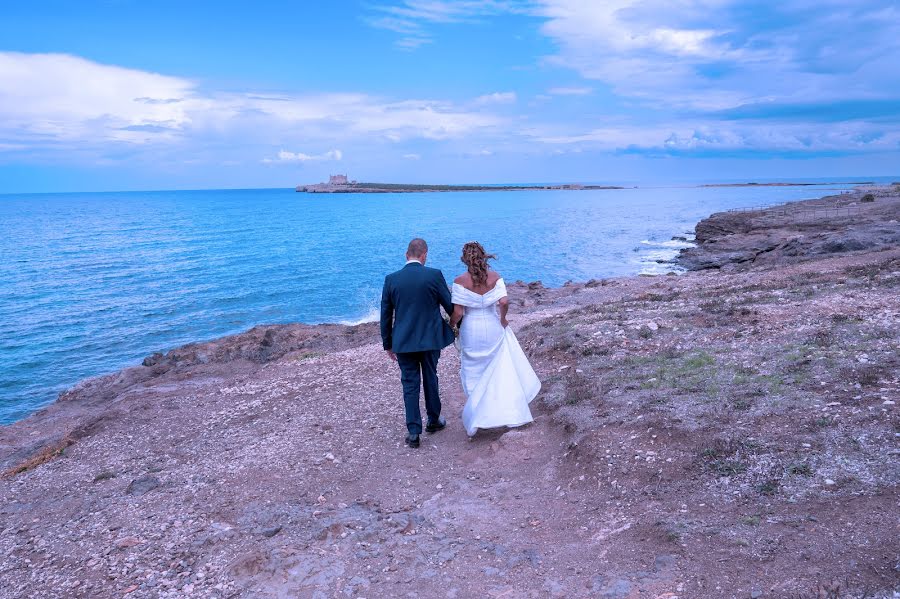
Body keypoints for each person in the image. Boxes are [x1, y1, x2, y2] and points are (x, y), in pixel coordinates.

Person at [449, 241, 541, 437]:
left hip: (472, 328)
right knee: (497, 366)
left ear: (464, 259)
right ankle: (503, 410)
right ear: (484, 256)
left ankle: (479, 414)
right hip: (493, 325)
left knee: (473, 369)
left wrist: (451, 325)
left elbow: (458, 312)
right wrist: (503, 317)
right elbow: (504, 301)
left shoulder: (459, 281)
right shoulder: (495, 277)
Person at [380, 238, 455, 448]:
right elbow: (449, 306)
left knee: (410, 384)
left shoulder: (391, 279)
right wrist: (457, 326)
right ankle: (433, 420)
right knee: (431, 377)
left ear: (406, 255)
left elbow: (385, 315)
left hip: (403, 341)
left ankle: (414, 433)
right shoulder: (434, 275)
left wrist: (387, 343)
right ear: (424, 255)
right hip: (431, 339)